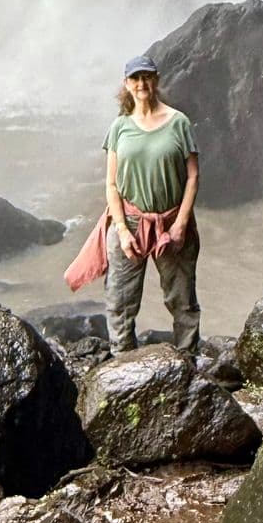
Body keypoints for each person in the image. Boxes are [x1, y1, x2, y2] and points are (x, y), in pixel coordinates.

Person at [101, 54, 200, 353]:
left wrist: (181, 224)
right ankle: (123, 367)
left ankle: (188, 365)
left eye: (147, 77)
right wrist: (121, 229)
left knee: (182, 301)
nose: (142, 83)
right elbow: (111, 184)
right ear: (127, 84)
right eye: (135, 78)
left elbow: (193, 178)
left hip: (172, 222)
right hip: (129, 221)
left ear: (155, 80)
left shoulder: (178, 122)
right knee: (119, 303)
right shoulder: (120, 127)